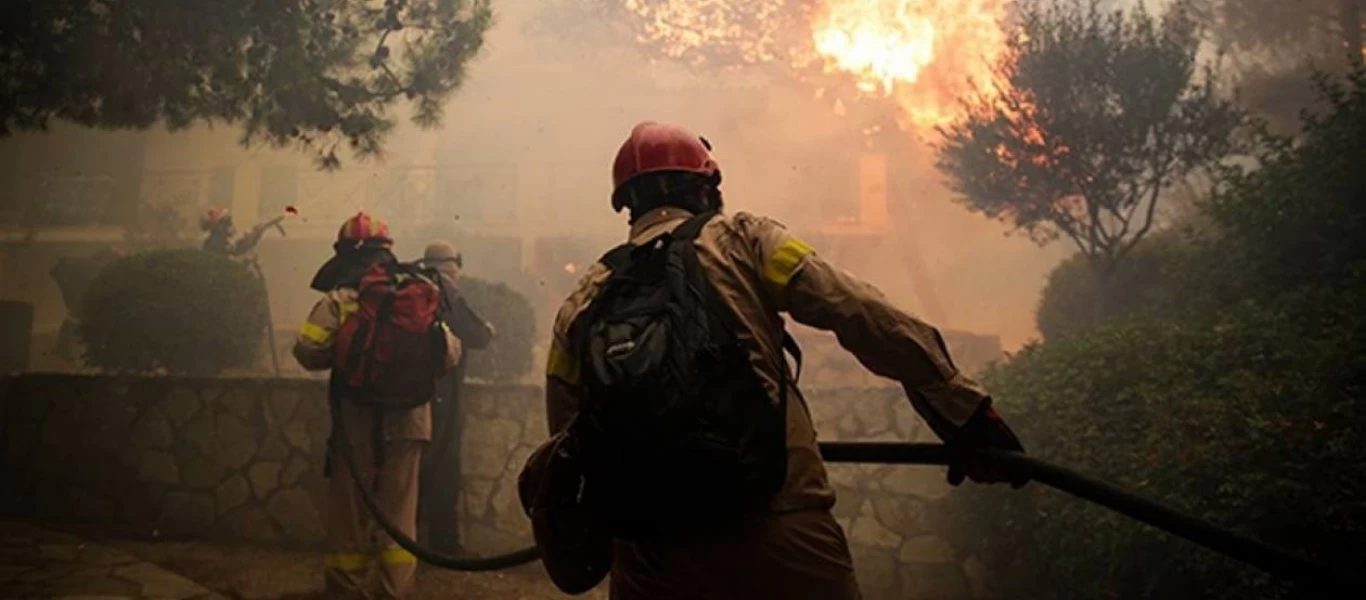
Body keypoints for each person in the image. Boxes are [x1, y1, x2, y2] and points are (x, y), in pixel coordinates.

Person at [538, 121, 1028, 599]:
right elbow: (858, 311)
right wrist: (964, 410)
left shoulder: (585, 298)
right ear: (707, 188)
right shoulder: (743, 240)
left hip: (653, 555)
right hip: (777, 526)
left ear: (627, 203)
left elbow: (565, 435)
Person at [292, 212, 462, 599]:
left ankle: (346, 593)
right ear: (387, 250)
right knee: (399, 520)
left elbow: (307, 350)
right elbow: (450, 353)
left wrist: (348, 356)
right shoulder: (418, 291)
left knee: (348, 521)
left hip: (356, 423)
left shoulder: (342, 298)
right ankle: (394, 593)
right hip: (410, 422)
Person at [416, 240, 495, 553]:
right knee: (444, 468)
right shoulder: (448, 292)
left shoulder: (411, 290)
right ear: (452, 267)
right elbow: (479, 335)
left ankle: (407, 539)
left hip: (410, 396)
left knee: (411, 471)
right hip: (444, 396)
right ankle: (444, 543)